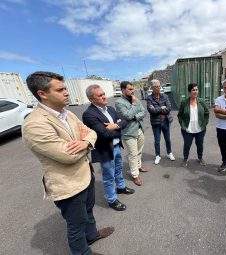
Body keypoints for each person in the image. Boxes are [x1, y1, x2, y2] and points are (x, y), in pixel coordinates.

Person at [22, 71, 113, 255]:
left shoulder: (67, 114)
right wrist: (88, 143)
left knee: (88, 212)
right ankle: (82, 252)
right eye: (61, 89)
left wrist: (85, 142)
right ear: (42, 94)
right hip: (68, 185)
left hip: (85, 175)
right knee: (76, 225)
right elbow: (67, 156)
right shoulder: (34, 124)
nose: (67, 93)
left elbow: (91, 133)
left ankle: (92, 235)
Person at [82, 84, 135, 212]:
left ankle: (121, 187)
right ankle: (112, 199)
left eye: (104, 93)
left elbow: (124, 121)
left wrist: (115, 126)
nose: (104, 96)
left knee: (118, 169)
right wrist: (118, 127)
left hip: (116, 146)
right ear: (91, 99)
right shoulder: (89, 114)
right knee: (108, 176)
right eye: (100, 95)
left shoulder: (110, 109)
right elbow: (105, 134)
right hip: (105, 149)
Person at [115, 81, 146, 186]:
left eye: (133, 89)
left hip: (139, 129)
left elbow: (143, 111)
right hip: (128, 132)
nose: (132, 91)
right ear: (123, 90)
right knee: (132, 154)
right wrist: (133, 105)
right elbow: (127, 116)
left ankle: (138, 165)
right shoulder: (119, 102)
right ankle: (135, 175)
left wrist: (136, 116)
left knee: (139, 151)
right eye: (130, 89)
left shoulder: (135, 98)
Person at [177, 83, 209, 167]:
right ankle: (185, 159)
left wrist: (204, 123)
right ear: (189, 91)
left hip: (200, 129)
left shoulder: (201, 101)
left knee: (200, 145)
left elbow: (206, 113)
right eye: (193, 90)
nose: (195, 91)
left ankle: (200, 158)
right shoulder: (184, 102)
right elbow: (179, 115)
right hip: (188, 130)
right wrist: (182, 125)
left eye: (196, 90)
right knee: (187, 145)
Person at [147, 79, 175, 164]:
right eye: (156, 86)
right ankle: (158, 155)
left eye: (159, 86)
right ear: (152, 87)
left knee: (168, 139)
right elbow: (151, 110)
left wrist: (157, 109)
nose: (158, 88)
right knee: (157, 141)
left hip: (165, 121)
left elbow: (169, 108)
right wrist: (161, 108)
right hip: (156, 123)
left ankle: (169, 153)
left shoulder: (165, 96)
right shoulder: (149, 98)